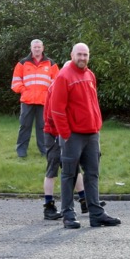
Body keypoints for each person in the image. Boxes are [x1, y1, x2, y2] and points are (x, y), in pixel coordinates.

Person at [48, 43, 120, 229]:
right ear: (72, 54)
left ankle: (96, 213)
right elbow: (57, 109)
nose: (82, 58)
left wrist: (97, 126)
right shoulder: (63, 76)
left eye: (85, 55)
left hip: (91, 133)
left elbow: (92, 102)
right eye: (79, 54)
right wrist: (66, 134)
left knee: (92, 174)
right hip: (73, 135)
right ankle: (68, 214)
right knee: (69, 175)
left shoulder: (90, 75)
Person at [40, 62, 84, 220]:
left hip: (65, 133)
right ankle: (49, 206)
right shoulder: (57, 86)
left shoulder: (65, 84)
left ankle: (84, 199)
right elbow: (52, 114)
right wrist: (60, 134)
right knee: (52, 169)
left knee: (74, 167)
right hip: (53, 134)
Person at [11, 39, 59, 158]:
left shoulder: (51, 64)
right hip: (27, 100)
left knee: (43, 127)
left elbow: (57, 83)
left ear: (43, 48)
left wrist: (49, 94)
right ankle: (21, 150)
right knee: (24, 125)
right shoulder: (22, 63)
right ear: (31, 48)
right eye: (34, 47)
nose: (37, 49)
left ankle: (44, 150)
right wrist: (24, 90)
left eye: (39, 47)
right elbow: (15, 82)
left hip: (44, 101)